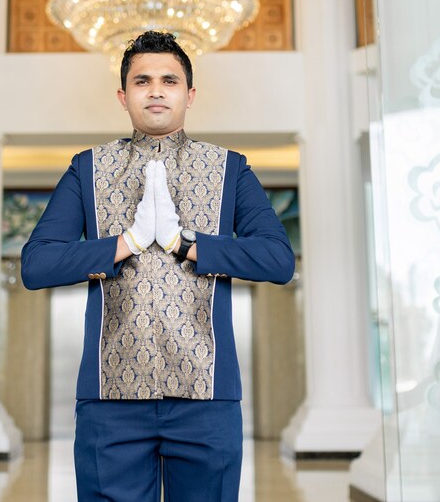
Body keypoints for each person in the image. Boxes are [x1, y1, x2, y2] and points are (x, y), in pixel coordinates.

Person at [21, 30, 294, 501]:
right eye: (142, 81)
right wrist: (124, 243)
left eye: (169, 80)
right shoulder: (87, 168)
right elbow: (37, 264)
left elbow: (277, 259)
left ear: (190, 94)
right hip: (110, 397)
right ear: (123, 96)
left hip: (206, 395)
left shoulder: (230, 168)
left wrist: (184, 243)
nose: (156, 91)